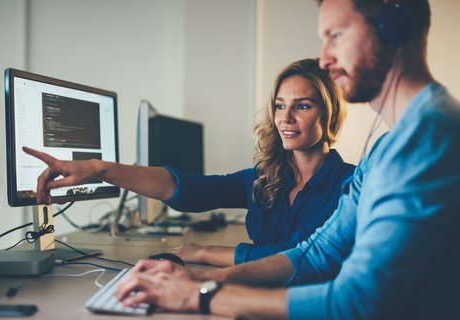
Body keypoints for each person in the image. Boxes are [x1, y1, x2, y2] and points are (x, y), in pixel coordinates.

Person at [111, 0, 460, 319]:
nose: (324, 58)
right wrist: (198, 279)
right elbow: (319, 252)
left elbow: (359, 301)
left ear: (394, 28)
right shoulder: (387, 146)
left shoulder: (430, 137)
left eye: (335, 35)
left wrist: (200, 295)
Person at [24, 58, 354, 267]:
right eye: (280, 106)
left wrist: (203, 252)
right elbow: (188, 189)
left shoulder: (349, 186)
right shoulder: (265, 179)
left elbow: (299, 256)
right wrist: (100, 169)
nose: (286, 118)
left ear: (329, 113)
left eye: (303, 106)